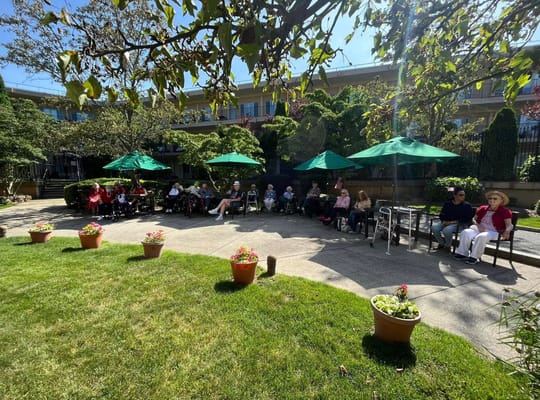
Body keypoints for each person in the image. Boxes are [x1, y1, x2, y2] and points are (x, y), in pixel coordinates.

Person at [454, 190, 513, 265]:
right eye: (490, 198)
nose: (492, 200)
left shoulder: (505, 211)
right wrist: (478, 226)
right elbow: (474, 219)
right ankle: (462, 253)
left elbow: (509, 225)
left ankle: (474, 257)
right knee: (465, 232)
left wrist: (507, 231)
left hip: (494, 232)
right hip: (479, 229)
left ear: (501, 201)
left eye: (495, 199)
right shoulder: (483, 208)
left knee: (481, 236)